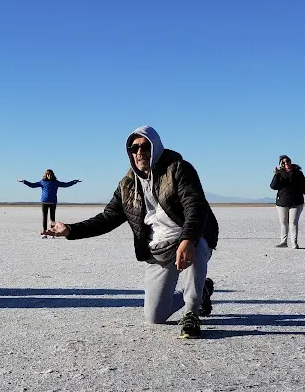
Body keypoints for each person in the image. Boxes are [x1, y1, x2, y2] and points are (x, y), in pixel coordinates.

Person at [43, 125, 219, 339]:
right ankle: (202, 290)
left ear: (156, 147)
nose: (139, 152)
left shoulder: (179, 169)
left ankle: (192, 311)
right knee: (155, 316)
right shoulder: (127, 185)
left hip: (188, 239)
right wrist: (71, 230)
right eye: (134, 148)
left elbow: (195, 206)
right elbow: (107, 218)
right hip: (159, 248)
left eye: (145, 146)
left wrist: (188, 238)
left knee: (197, 243)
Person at [17, 170, 81, 237]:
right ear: (46, 175)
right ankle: (45, 233)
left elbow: (66, 184)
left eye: (50, 175)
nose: (49, 176)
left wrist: (74, 182)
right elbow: (33, 185)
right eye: (48, 175)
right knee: (45, 217)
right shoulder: (42, 182)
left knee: (52, 218)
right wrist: (24, 181)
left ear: (52, 175)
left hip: (53, 202)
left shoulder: (56, 182)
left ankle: (52, 232)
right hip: (44, 202)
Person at [269, 155, 305, 249]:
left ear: (290, 162)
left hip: (296, 202)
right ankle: (283, 241)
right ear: (281, 164)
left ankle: (294, 243)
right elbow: (273, 186)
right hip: (282, 202)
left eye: (287, 161)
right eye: (283, 162)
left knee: (293, 222)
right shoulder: (279, 174)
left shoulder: (298, 173)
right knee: (283, 222)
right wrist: (276, 174)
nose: (286, 164)